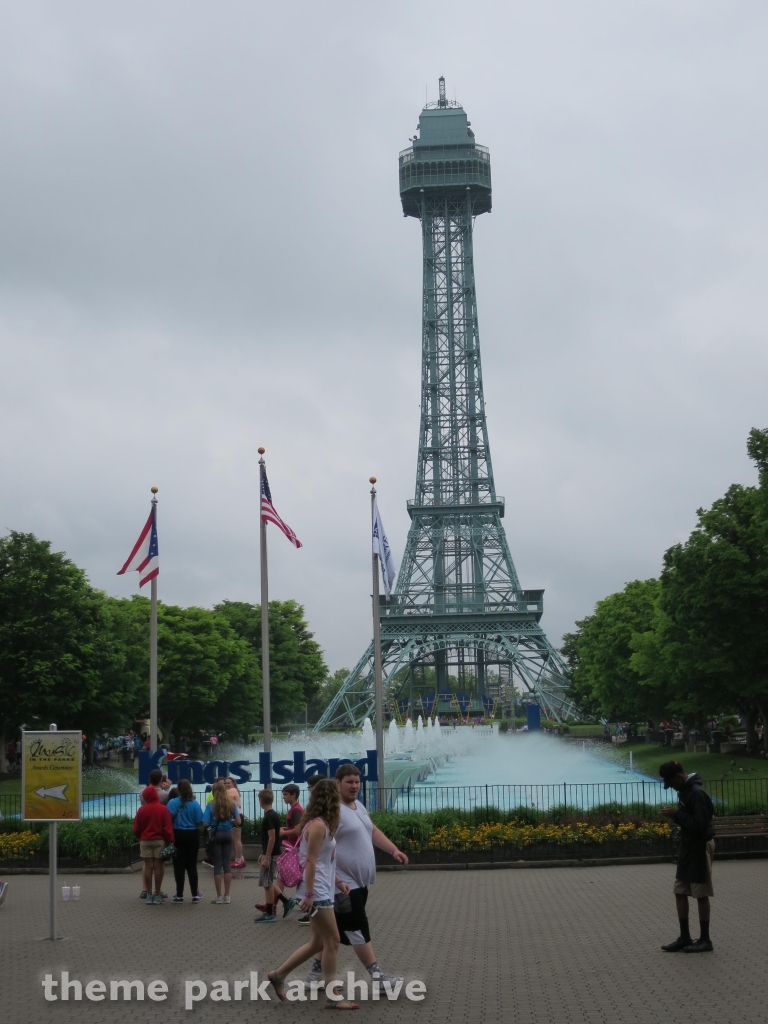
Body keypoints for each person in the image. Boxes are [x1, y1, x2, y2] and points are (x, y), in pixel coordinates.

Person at [304, 764, 408, 990]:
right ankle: (378, 978)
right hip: (343, 885)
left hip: (358, 883)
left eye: (357, 782)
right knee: (356, 929)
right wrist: (333, 879)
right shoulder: (333, 813)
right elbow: (319, 847)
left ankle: (313, 977)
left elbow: (372, 831)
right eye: (349, 782)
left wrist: (393, 850)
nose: (354, 786)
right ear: (338, 784)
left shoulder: (357, 806)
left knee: (331, 935)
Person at [267, 778, 358, 1010]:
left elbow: (325, 860)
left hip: (321, 888)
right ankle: (333, 995)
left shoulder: (323, 824)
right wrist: (308, 894)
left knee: (318, 942)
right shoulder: (318, 826)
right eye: (337, 794)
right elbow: (311, 861)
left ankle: (279, 975)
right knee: (333, 941)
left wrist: (337, 881)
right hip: (316, 892)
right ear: (330, 798)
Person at [659, 761, 715, 953]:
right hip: (688, 845)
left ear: (678, 776)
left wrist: (676, 815)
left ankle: (705, 939)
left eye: (670, 782)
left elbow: (700, 825)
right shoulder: (685, 791)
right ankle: (685, 937)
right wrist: (677, 815)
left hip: (699, 845)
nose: (671, 787)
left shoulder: (697, 793)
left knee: (700, 892)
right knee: (680, 890)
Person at [133, 786, 174, 905]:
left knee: (148, 866)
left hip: (145, 840)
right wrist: (170, 841)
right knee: (158, 867)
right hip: (159, 840)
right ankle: (157, 894)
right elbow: (167, 828)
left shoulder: (142, 810)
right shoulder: (162, 809)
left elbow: (136, 828)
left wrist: (140, 836)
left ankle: (149, 894)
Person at [203, 779, 241, 904]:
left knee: (218, 865)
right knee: (227, 865)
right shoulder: (231, 803)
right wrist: (230, 822)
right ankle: (227, 895)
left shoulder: (211, 805)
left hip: (216, 834)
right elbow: (239, 821)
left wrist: (211, 824)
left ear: (214, 792)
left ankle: (218, 896)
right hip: (228, 834)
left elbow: (205, 823)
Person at [166, 779, 204, 903]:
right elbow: (199, 821)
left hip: (178, 834)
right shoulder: (195, 804)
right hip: (192, 834)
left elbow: (167, 818)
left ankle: (179, 894)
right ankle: (194, 894)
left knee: (178, 865)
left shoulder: (172, 802)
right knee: (192, 865)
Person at [254, 789, 283, 923]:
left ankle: (270, 912)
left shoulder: (269, 817)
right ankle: (282, 903)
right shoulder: (273, 815)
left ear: (261, 801)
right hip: (270, 853)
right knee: (268, 882)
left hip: (271, 855)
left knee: (267, 883)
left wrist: (267, 857)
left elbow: (271, 838)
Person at [224, 777, 246, 868]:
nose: (227, 785)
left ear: (233, 783)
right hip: (236, 815)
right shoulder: (235, 790)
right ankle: (241, 858)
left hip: (235, 816)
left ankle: (238, 860)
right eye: (226, 783)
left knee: (236, 840)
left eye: (229, 783)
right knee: (234, 840)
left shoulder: (231, 790)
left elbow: (226, 801)